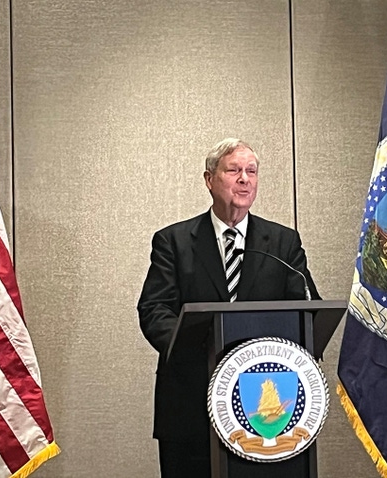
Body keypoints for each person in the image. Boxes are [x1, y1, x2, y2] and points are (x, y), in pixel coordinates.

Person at [137, 138, 320, 477]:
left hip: (267, 407)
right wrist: (195, 344)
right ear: (209, 179)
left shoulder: (282, 242)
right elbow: (154, 310)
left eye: (251, 171)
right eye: (233, 170)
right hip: (191, 402)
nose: (244, 179)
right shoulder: (173, 242)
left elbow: (308, 309)